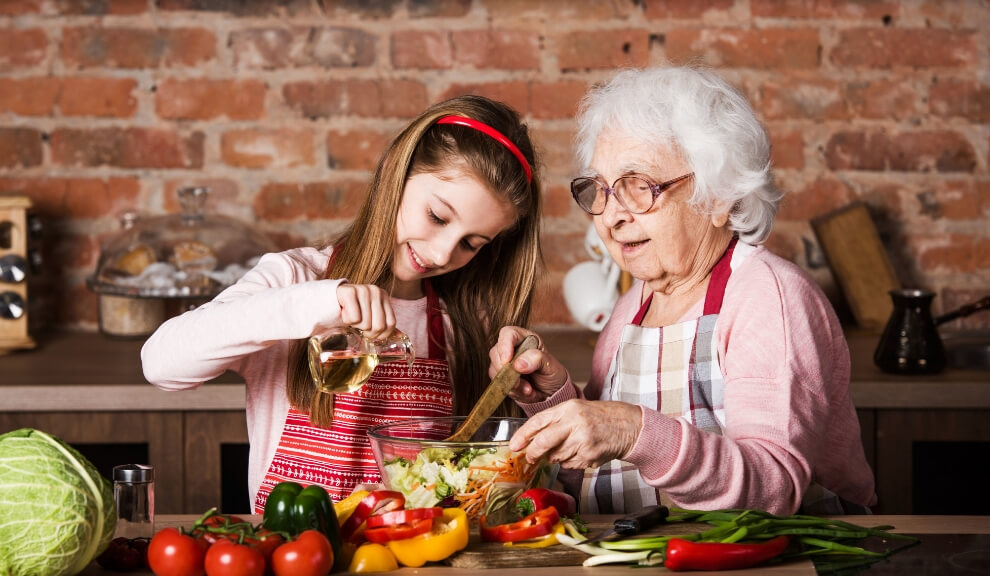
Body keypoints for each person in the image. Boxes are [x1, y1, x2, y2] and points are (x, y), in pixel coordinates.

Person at [489, 66, 876, 516]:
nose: (612, 216)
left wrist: (634, 432)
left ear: (717, 196)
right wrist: (554, 400)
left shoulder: (768, 298)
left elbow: (774, 490)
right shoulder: (631, 308)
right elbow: (598, 482)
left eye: (638, 187)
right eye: (601, 189)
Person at [142, 95, 541, 511]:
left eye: (470, 244)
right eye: (437, 217)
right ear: (394, 172)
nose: (442, 254)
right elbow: (160, 364)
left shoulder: (462, 324)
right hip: (297, 558)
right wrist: (316, 304)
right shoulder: (296, 280)